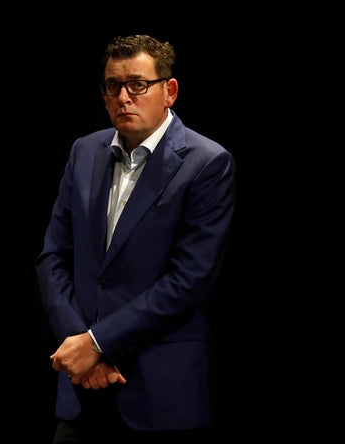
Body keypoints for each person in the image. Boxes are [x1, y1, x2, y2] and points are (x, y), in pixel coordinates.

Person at [34, 34, 235, 443]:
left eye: (138, 84)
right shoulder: (84, 152)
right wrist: (82, 351)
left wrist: (96, 343)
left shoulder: (207, 163)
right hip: (82, 388)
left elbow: (188, 281)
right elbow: (53, 258)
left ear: (169, 91)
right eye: (113, 86)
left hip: (160, 394)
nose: (124, 96)